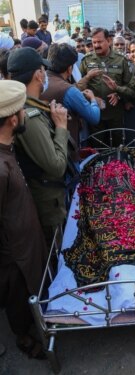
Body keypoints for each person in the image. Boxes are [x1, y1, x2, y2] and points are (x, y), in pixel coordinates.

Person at [0, 80, 48, 359]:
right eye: (22, 110)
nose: (25, 114)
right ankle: (25, 339)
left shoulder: (8, 148)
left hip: (25, 242)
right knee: (19, 299)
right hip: (14, 254)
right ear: (12, 119)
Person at [7, 47, 68, 248]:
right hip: (48, 205)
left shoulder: (31, 106)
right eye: (43, 70)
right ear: (39, 75)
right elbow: (56, 166)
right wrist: (61, 127)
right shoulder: (29, 115)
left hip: (49, 198)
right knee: (56, 258)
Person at [41, 43, 100, 157]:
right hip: (65, 151)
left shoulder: (39, 80)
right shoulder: (69, 90)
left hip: (43, 148)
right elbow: (94, 117)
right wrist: (92, 100)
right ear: (69, 69)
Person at [79, 28, 133, 146]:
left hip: (115, 114)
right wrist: (91, 98)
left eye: (100, 42)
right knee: (98, 146)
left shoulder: (121, 60)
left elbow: (129, 85)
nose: (96, 45)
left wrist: (119, 95)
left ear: (109, 40)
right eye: (94, 43)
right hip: (94, 114)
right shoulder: (86, 60)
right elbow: (80, 86)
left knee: (117, 145)